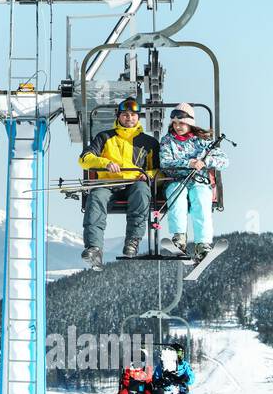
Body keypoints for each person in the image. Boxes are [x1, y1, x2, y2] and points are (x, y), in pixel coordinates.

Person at [79, 98, 159, 268]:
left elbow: (159, 170)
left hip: (134, 183)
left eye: (132, 115)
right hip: (110, 183)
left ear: (138, 118)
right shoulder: (105, 137)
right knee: (96, 197)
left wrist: (147, 175)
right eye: (125, 115)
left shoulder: (148, 143)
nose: (129, 118)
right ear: (119, 117)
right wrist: (105, 164)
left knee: (142, 192)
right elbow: (85, 159)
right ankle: (94, 247)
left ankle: (132, 241)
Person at [158, 103, 229, 260]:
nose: (178, 127)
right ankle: (179, 237)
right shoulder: (168, 141)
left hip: (198, 181)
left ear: (189, 123)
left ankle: (202, 244)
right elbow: (165, 162)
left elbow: (224, 161)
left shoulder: (202, 141)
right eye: (175, 123)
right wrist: (188, 163)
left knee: (201, 200)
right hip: (176, 180)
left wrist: (206, 161)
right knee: (177, 197)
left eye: (181, 123)